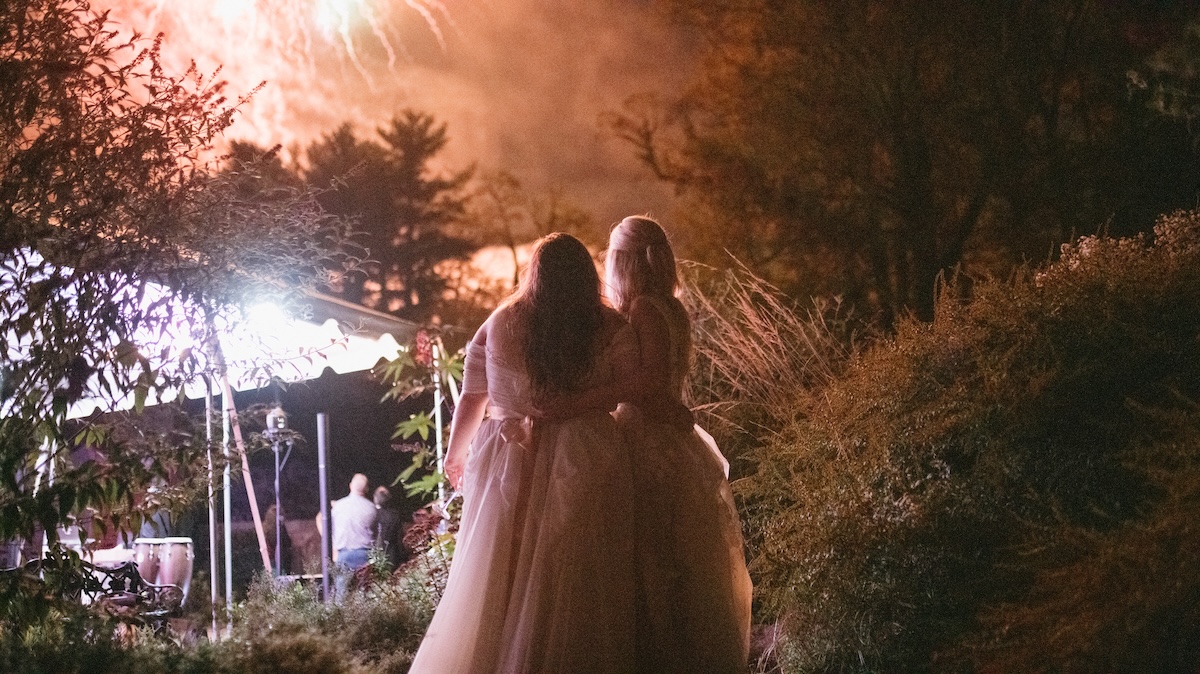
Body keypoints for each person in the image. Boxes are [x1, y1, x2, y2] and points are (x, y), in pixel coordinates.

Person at [409, 233, 638, 673]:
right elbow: (631, 386)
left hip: (509, 460)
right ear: (587, 276)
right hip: (585, 455)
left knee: (501, 572)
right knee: (573, 571)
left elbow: (473, 396)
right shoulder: (610, 326)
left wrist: (455, 455)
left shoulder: (500, 322)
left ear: (535, 274)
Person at [602, 215, 754, 672]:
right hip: (668, 433)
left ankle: (662, 654)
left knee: (653, 554)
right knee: (680, 555)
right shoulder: (671, 307)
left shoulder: (644, 310)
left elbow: (650, 384)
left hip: (647, 437)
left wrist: (595, 394)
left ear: (623, 262)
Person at [331, 473, 377, 594]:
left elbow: (331, 527)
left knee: (342, 594)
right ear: (366, 489)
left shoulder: (338, 506)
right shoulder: (371, 508)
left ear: (350, 486)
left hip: (344, 553)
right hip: (365, 554)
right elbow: (376, 533)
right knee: (365, 593)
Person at [373, 486, 405, 568]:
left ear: (375, 498)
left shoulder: (372, 514)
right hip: (391, 554)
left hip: (375, 554)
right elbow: (399, 537)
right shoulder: (394, 515)